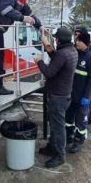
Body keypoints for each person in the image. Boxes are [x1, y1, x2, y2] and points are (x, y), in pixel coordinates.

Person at [35, 27, 78, 168]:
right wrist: (49, 48)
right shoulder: (72, 51)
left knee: (58, 127)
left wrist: (39, 61)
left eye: (56, 38)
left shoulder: (62, 53)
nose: (55, 40)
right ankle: (51, 147)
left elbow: (49, 72)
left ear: (59, 40)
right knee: (54, 124)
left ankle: (60, 156)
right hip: (64, 94)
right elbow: (59, 62)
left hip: (57, 96)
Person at [66, 32, 91, 154]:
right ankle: (68, 136)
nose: (76, 42)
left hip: (82, 96)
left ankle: (78, 141)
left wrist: (87, 96)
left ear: (85, 42)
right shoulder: (75, 54)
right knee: (68, 117)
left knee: (81, 120)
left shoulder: (90, 57)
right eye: (76, 40)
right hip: (71, 94)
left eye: (79, 40)